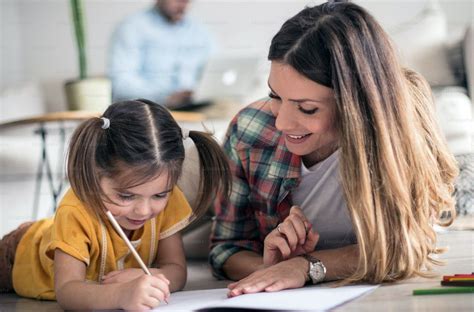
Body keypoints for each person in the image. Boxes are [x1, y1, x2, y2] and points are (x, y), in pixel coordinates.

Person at [209, 0, 458, 297]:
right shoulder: (251, 130)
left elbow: (407, 247)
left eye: (307, 108)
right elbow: (226, 247)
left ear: (353, 103)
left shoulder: (401, 127)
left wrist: (307, 266)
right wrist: (272, 268)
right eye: (275, 95)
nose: (283, 123)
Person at [0, 99, 230, 310]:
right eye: (126, 196)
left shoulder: (169, 201)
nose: (144, 210)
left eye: (159, 195)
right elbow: (68, 291)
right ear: (95, 175)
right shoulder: (74, 212)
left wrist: (145, 275)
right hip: (18, 254)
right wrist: (120, 294)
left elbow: (177, 271)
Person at [108, 0, 215, 108]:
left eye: (187, 1)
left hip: (194, 108)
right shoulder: (132, 27)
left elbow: (215, 68)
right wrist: (164, 98)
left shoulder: (198, 30)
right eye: (178, 0)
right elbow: (120, 85)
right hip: (150, 111)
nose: (183, 6)